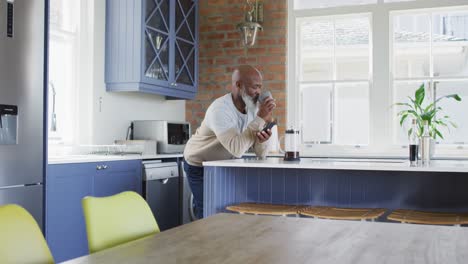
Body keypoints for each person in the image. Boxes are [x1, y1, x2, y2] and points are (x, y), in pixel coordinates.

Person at [183, 65, 276, 219]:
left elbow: (261, 154)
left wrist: (261, 141)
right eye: (255, 87)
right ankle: (203, 243)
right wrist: (260, 118)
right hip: (199, 165)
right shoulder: (220, 109)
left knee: (227, 211)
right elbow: (237, 149)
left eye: (260, 87)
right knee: (207, 212)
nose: (259, 92)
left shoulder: (252, 109)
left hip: (224, 164)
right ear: (239, 85)